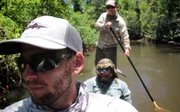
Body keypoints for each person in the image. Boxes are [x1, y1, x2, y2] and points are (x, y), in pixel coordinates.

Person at [0, 16, 138, 112]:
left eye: (43, 62)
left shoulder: (115, 109)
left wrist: (127, 48)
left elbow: (125, 35)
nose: (27, 76)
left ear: (76, 64)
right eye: (22, 64)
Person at [95, 0, 131, 67]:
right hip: (100, 46)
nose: (110, 9)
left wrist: (127, 49)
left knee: (111, 68)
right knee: (98, 66)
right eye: (108, 7)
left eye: (112, 7)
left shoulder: (121, 22)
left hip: (111, 48)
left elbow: (125, 36)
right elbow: (97, 25)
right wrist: (104, 26)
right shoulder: (103, 16)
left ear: (116, 7)